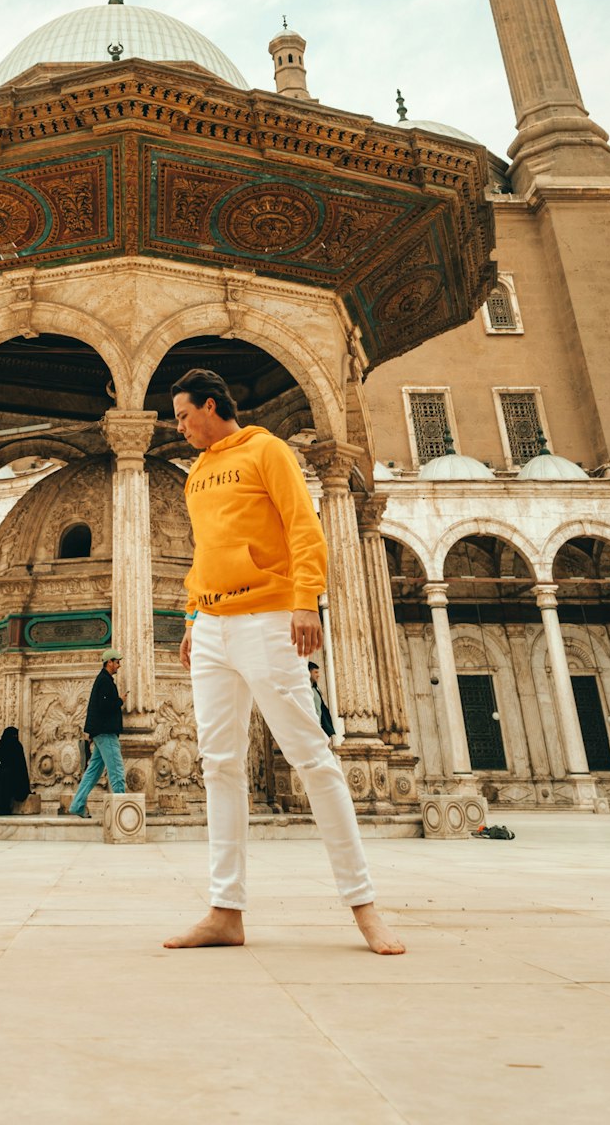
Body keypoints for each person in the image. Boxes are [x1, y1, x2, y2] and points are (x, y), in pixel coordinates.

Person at [163, 368, 404, 956]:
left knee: (312, 759)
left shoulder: (266, 450)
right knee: (219, 764)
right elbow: (206, 552)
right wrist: (194, 618)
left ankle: (365, 908)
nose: (179, 427)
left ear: (212, 405)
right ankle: (225, 911)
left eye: (184, 415)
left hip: (268, 620)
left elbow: (304, 527)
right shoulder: (195, 475)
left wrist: (305, 604)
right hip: (213, 628)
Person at [67, 654, 127, 816]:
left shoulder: (103, 680)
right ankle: (123, 809)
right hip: (106, 732)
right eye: (117, 662)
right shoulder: (105, 681)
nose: (119, 665)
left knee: (93, 772)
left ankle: (77, 805)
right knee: (116, 769)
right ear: (109, 662)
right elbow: (104, 706)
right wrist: (120, 701)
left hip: (100, 731)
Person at [307, 660, 336, 740]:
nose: (318, 675)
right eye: (315, 672)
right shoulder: (306, 690)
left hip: (319, 729)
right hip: (311, 729)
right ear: (308, 673)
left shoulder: (315, 689)